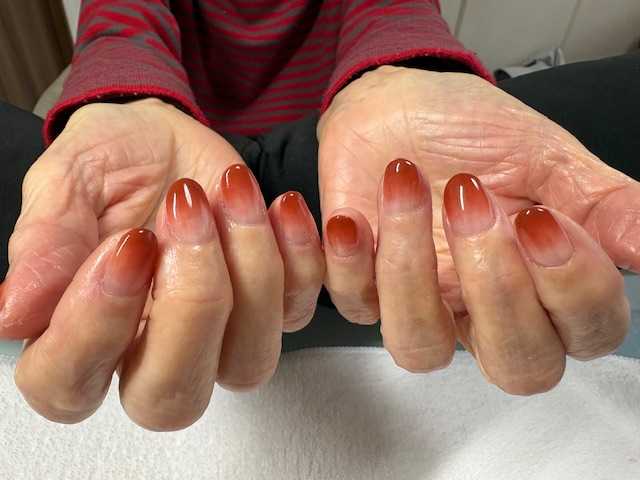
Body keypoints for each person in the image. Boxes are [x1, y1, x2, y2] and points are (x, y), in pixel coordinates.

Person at [0, 0, 639, 431]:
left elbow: (393, 9)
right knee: (64, 196)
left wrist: (403, 71)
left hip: (336, 173)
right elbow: (121, 26)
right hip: (187, 173)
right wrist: (123, 105)